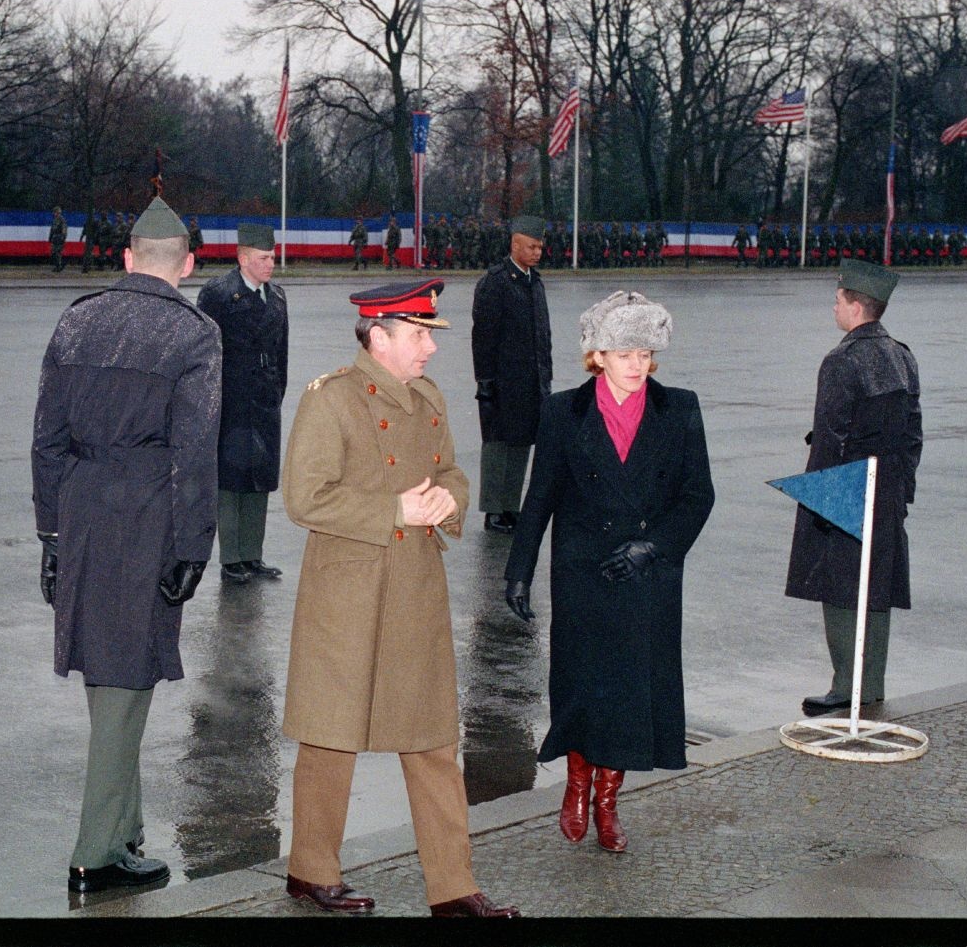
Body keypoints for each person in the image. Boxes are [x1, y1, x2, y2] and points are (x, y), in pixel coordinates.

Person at [281, 279, 520, 919]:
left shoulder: (428, 399)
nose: (430, 350)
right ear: (378, 335)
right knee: (331, 737)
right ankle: (311, 869)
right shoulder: (330, 401)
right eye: (419, 335)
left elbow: (449, 473)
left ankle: (452, 886)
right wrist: (393, 509)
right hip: (348, 591)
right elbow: (304, 497)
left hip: (415, 587)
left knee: (435, 739)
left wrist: (449, 501)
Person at [32, 196, 222, 895]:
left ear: (126, 257)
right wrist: (193, 546)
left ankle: (126, 830)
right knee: (125, 679)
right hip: (146, 517)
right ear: (190, 265)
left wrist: (51, 533)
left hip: (83, 512)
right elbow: (196, 451)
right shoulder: (194, 334)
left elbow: (46, 439)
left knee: (113, 681)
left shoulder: (78, 319)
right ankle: (95, 853)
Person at [503, 290, 714, 853]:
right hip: (582, 573)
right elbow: (539, 496)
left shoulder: (681, 407)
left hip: (647, 576)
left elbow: (698, 496)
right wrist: (518, 569)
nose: (636, 364)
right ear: (597, 356)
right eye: (624, 354)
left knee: (629, 693)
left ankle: (608, 801)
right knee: (583, 687)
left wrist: (654, 547)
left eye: (645, 353)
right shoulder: (562, 412)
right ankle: (576, 781)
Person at [786, 259, 921, 717]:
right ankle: (873, 683)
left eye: (838, 299)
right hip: (887, 488)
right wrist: (902, 490)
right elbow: (913, 433)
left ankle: (847, 685)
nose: (834, 306)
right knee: (876, 585)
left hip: (845, 486)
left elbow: (830, 436)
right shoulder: (902, 355)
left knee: (841, 584)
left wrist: (820, 497)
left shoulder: (842, 360)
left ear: (857, 305)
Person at [196, 223, 289, 585]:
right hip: (230, 399)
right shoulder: (218, 294)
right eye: (264, 258)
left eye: (273, 257)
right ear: (243, 258)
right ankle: (231, 558)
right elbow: (204, 353)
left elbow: (282, 354)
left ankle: (253, 554)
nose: (271, 264)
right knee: (231, 479)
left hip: (264, 401)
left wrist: (275, 392)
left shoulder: (277, 296)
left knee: (260, 478)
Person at [471, 215, 553, 534]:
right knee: (497, 444)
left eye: (540, 247)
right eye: (531, 246)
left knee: (521, 443)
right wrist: (486, 381)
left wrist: (544, 378)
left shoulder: (535, 281)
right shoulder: (496, 282)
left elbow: (541, 336)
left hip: (530, 381)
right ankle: (493, 511)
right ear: (515, 244)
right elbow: (484, 337)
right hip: (502, 381)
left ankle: (510, 506)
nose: (537, 252)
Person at [49, 206, 68, 273]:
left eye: (55, 212)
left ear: (58, 212)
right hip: (55, 238)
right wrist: (50, 237)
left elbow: (64, 230)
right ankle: (58, 265)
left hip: (59, 238)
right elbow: (52, 230)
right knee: (53, 253)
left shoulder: (62, 220)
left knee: (57, 252)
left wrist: (63, 237)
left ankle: (59, 266)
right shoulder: (55, 220)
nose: (54, 214)